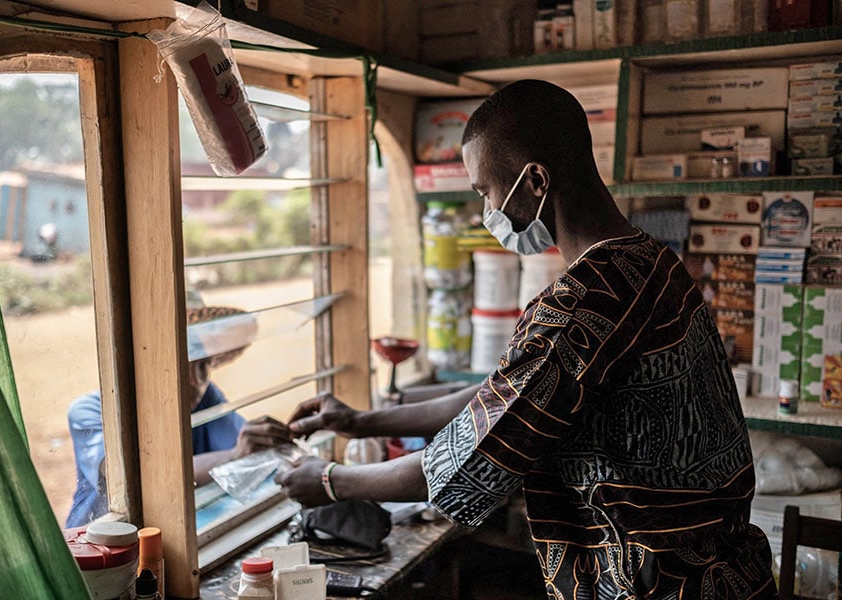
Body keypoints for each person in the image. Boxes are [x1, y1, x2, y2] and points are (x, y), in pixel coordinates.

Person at [276, 80, 777, 597]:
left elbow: (467, 458)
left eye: (485, 192)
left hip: (658, 586)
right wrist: (361, 422)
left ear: (536, 179)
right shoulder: (649, 263)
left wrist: (332, 481)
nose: (486, 211)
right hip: (728, 572)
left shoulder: (579, 306)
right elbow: (508, 398)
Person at [66, 305, 291, 528]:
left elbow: (246, 448)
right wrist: (235, 454)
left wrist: (266, 441)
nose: (195, 379)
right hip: (102, 539)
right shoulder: (91, 410)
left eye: (203, 363)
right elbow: (133, 479)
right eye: (182, 365)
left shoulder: (206, 398)